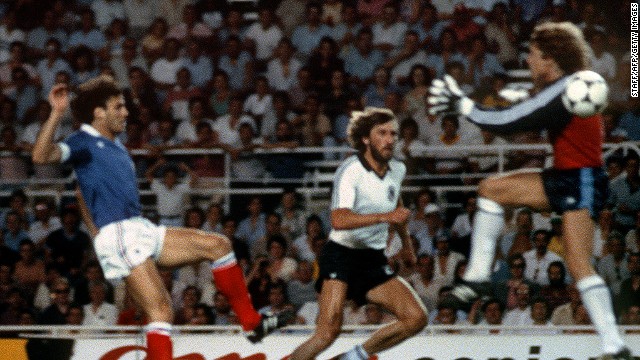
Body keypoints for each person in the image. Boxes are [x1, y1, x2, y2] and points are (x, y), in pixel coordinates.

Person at [31, 76, 291, 360]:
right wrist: (57, 113)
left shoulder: (116, 145)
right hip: (118, 233)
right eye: (118, 107)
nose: (126, 112)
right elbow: (41, 156)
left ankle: (252, 324)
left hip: (140, 228)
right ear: (98, 112)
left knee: (219, 245)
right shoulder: (83, 141)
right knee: (161, 310)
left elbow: (83, 194)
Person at [427, 21, 632, 359]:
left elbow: (510, 123)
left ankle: (614, 345)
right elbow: (526, 114)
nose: (529, 62)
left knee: (580, 265)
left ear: (551, 59)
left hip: (579, 180)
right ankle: (478, 275)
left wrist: (463, 106)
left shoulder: (566, 88)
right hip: (567, 175)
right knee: (491, 188)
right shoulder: (569, 86)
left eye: (534, 56)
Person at [286, 107, 427, 360]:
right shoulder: (351, 170)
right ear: (365, 139)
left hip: (371, 259)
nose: (390, 139)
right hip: (340, 255)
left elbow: (397, 204)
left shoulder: (398, 169)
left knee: (417, 318)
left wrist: (407, 245)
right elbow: (338, 219)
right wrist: (384, 218)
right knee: (327, 333)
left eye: (393, 134)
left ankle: (353, 357)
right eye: (382, 133)